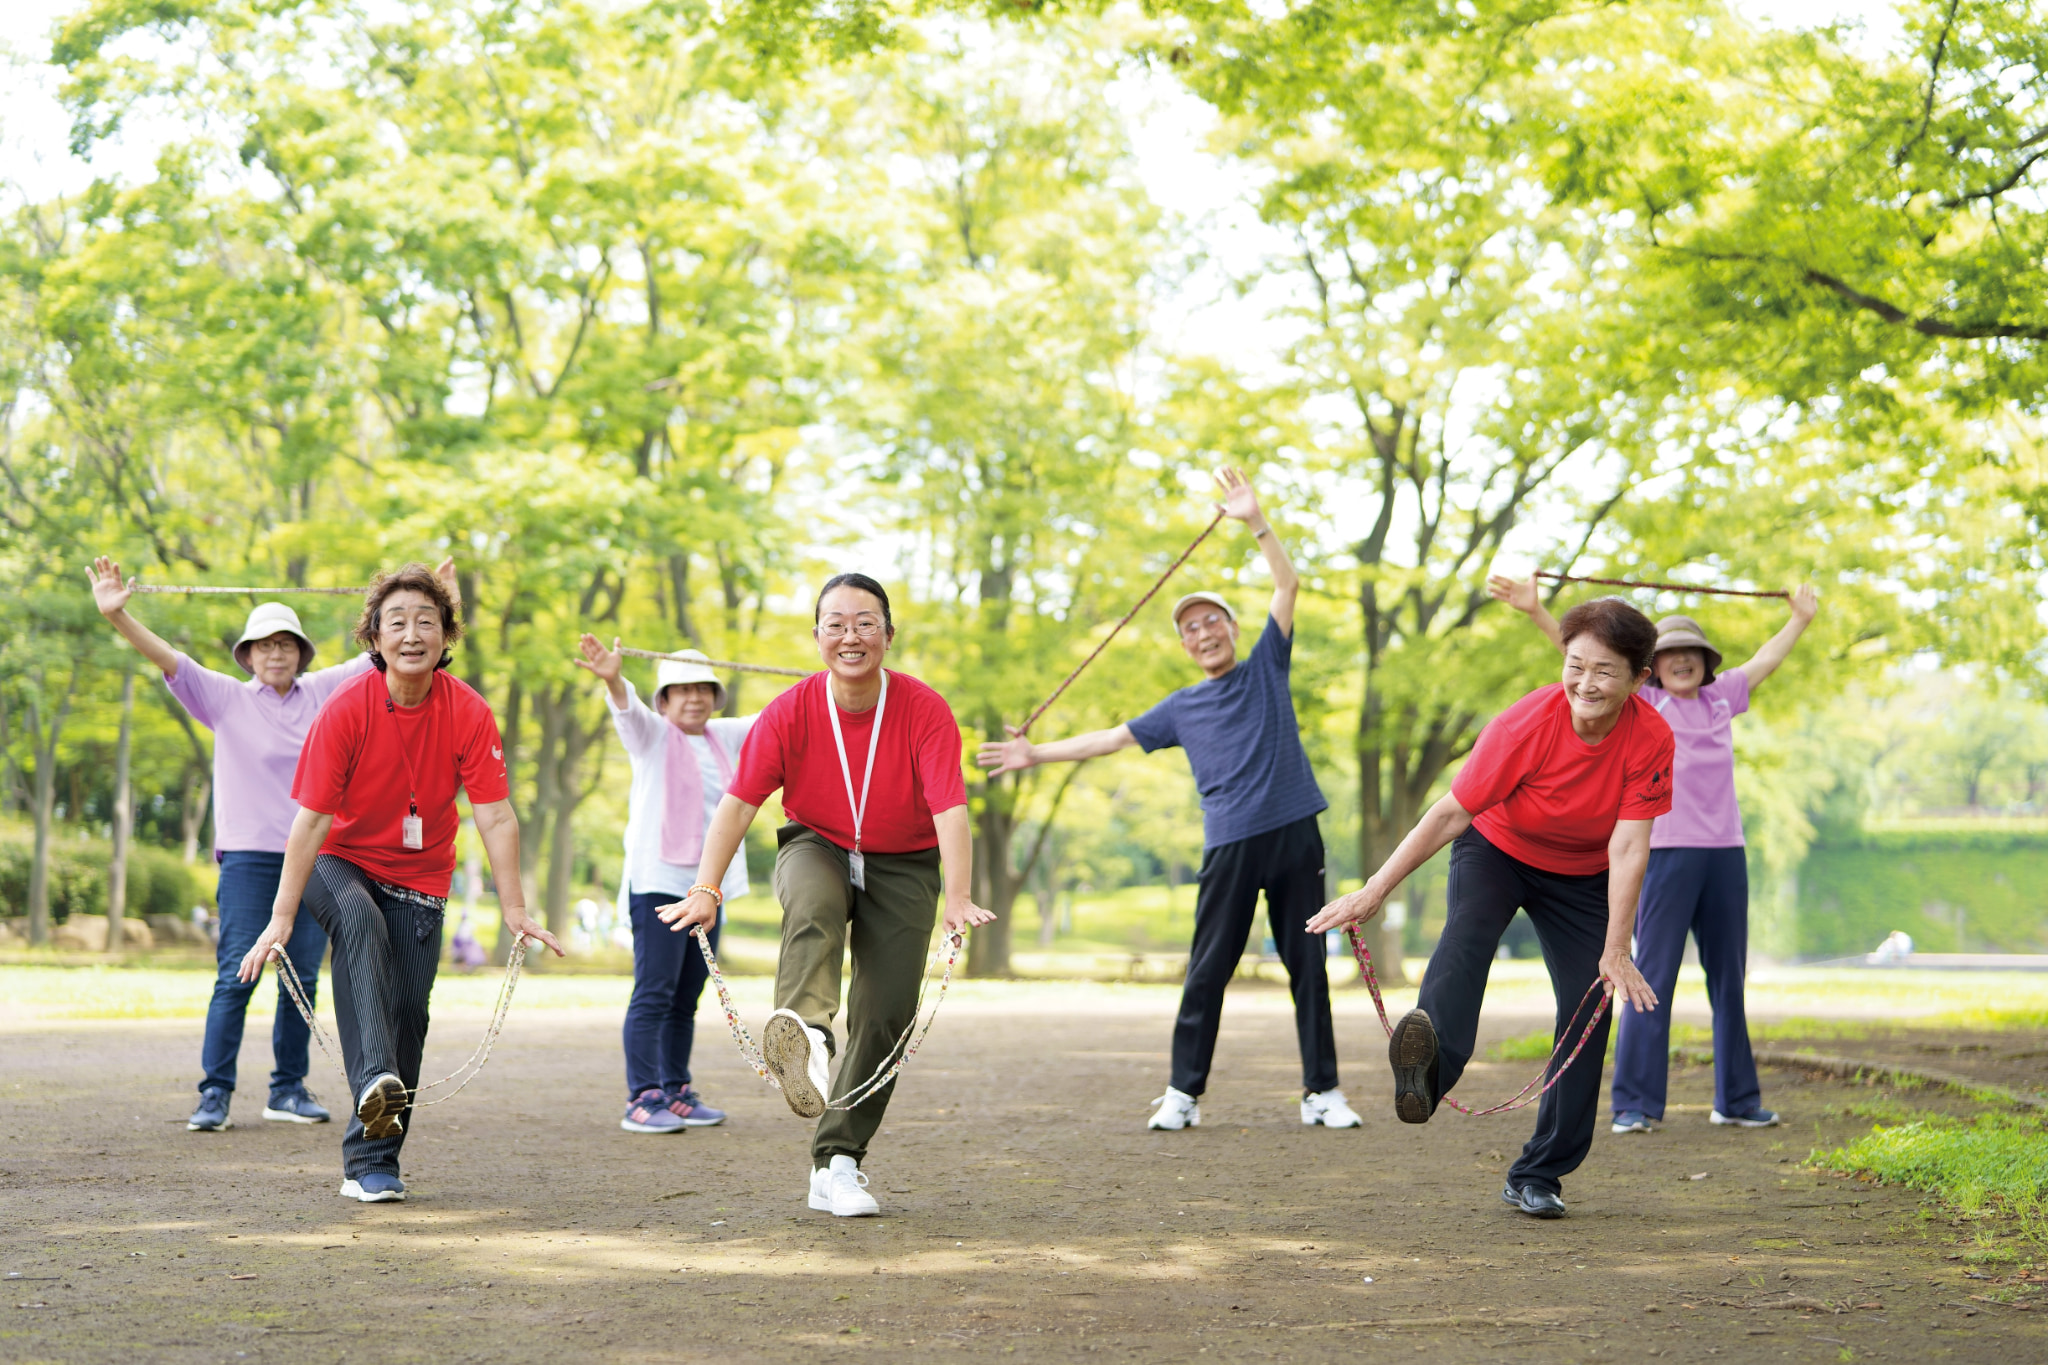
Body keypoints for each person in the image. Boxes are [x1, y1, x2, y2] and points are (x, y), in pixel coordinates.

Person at [978, 468, 1357, 1133]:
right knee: (1208, 969)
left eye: (1212, 620)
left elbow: (1287, 583)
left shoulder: (1268, 663)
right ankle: (1183, 1092)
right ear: (1183, 646)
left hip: (1296, 831)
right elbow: (1109, 739)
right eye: (1190, 628)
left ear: (1234, 629)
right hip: (1230, 842)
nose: (1203, 632)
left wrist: (1256, 520)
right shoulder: (1180, 708)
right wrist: (1035, 753)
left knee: (1308, 966)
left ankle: (1321, 1091)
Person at [1309, 597, 1670, 1219]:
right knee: (1466, 939)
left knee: (1591, 1004)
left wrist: (1617, 949)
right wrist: (1375, 890)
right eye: (1575, 663)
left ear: (1640, 678)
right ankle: (1427, 1071)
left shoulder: (1652, 737)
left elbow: (1630, 843)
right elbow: (1451, 812)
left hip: (1585, 875)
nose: (1586, 682)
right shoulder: (1523, 725)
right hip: (1498, 850)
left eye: (1606, 671)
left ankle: (1540, 1173)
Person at [659, 573, 993, 1218]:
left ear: (889, 637)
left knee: (887, 1014)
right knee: (812, 907)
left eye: (866, 622)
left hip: (907, 861)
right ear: (816, 637)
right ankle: (806, 1035)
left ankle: (837, 1161)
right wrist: (705, 887)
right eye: (835, 623)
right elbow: (738, 804)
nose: (851, 635)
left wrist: (959, 895)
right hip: (818, 842)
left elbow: (950, 805)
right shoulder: (789, 711)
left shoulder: (924, 708)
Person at [87, 555, 456, 1133]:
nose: (275, 653)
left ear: (302, 652)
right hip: (248, 859)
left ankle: (287, 1088)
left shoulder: (325, 690)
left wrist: (437, 602)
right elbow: (166, 657)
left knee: (301, 980)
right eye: (262, 645)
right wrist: (117, 616)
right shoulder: (225, 698)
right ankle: (215, 1092)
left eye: (286, 643)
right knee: (237, 971)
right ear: (247, 654)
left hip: (315, 859)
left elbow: (402, 647)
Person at [235, 563, 562, 1203]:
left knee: (409, 1016)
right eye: (397, 622)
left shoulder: (468, 711)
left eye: (427, 622)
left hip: (421, 875)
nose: (413, 634)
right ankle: (376, 1076)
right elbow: (309, 823)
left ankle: (374, 1163)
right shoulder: (346, 709)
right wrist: (280, 918)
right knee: (360, 923)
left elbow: (494, 813)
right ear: (374, 638)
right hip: (340, 859)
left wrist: (516, 908)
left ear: (446, 636)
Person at [1489, 574, 1819, 1134]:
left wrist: (1800, 619)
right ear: (1652, 667)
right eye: (1670, 654)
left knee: (1727, 980)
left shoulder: (1722, 700)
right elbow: (1584, 661)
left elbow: (1766, 660)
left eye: (1691, 652)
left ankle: (1737, 1100)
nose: (1682, 661)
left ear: (1705, 661)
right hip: (1662, 855)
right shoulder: (1644, 703)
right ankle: (1636, 1104)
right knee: (1651, 975)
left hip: (1724, 856)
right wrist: (1536, 611)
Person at [574, 637, 755, 1134]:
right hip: (657, 884)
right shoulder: (652, 735)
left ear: (715, 697)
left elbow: (780, 718)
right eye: (681, 691)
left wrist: (835, 673)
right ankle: (643, 1096)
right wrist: (613, 679)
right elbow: (628, 714)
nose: (693, 698)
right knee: (654, 990)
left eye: (702, 689)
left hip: (707, 889)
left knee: (686, 994)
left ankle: (676, 1090)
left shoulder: (726, 737)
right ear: (665, 701)